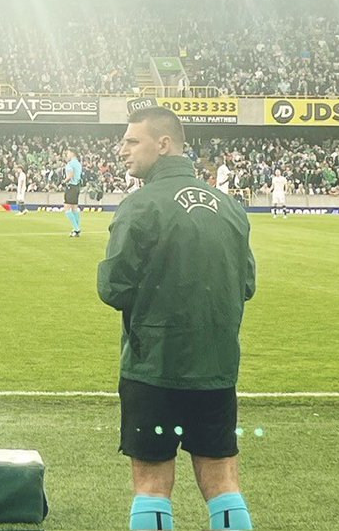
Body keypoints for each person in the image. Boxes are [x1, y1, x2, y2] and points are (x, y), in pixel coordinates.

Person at [98, 107, 256, 531]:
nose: (122, 150)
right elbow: (247, 284)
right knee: (223, 482)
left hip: (154, 367)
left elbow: (112, 288)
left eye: (132, 141)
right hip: (216, 369)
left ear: (163, 144)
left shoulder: (140, 205)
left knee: (151, 485)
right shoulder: (229, 207)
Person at [63, 149, 82, 237]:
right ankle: (76, 230)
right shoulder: (78, 164)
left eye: (68, 153)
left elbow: (70, 176)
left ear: (72, 153)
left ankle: (76, 228)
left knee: (67, 208)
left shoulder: (70, 164)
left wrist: (63, 182)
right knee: (74, 208)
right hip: (77, 187)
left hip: (71, 186)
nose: (67, 155)